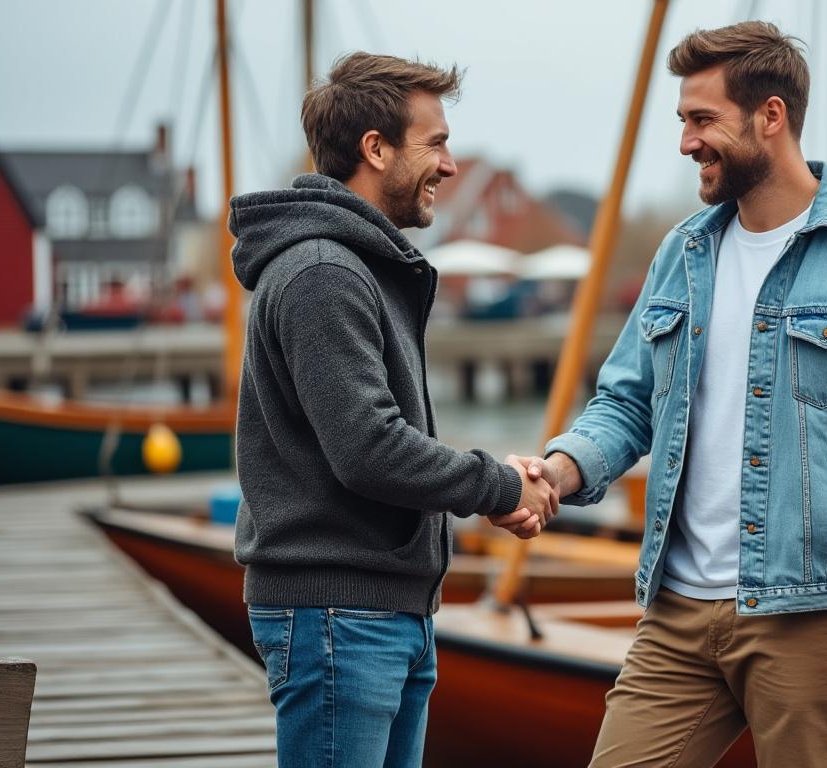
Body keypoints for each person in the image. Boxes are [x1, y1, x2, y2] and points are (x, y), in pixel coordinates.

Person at [523, 22, 827, 766]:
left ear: (771, 116)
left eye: (702, 121)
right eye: (683, 122)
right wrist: (556, 473)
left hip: (813, 616)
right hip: (676, 611)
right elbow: (628, 403)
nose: (686, 142)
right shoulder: (683, 252)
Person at [229, 52, 556, 768]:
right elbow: (369, 447)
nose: (450, 164)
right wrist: (500, 486)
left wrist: (493, 482)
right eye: (434, 143)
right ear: (375, 148)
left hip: (382, 612)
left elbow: (377, 436)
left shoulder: (361, 266)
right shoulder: (323, 273)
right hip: (340, 618)